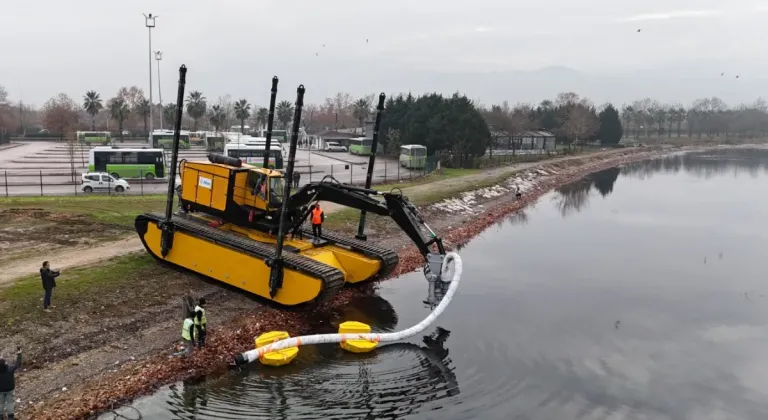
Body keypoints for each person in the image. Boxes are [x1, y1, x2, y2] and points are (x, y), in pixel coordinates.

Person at [0, 347, 22, 420]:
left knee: (0, 403)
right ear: (5, 363)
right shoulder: (10, 369)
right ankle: (10, 417)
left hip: (0, 390)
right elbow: (18, 364)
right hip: (10, 389)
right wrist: (19, 354)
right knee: (9, 403)